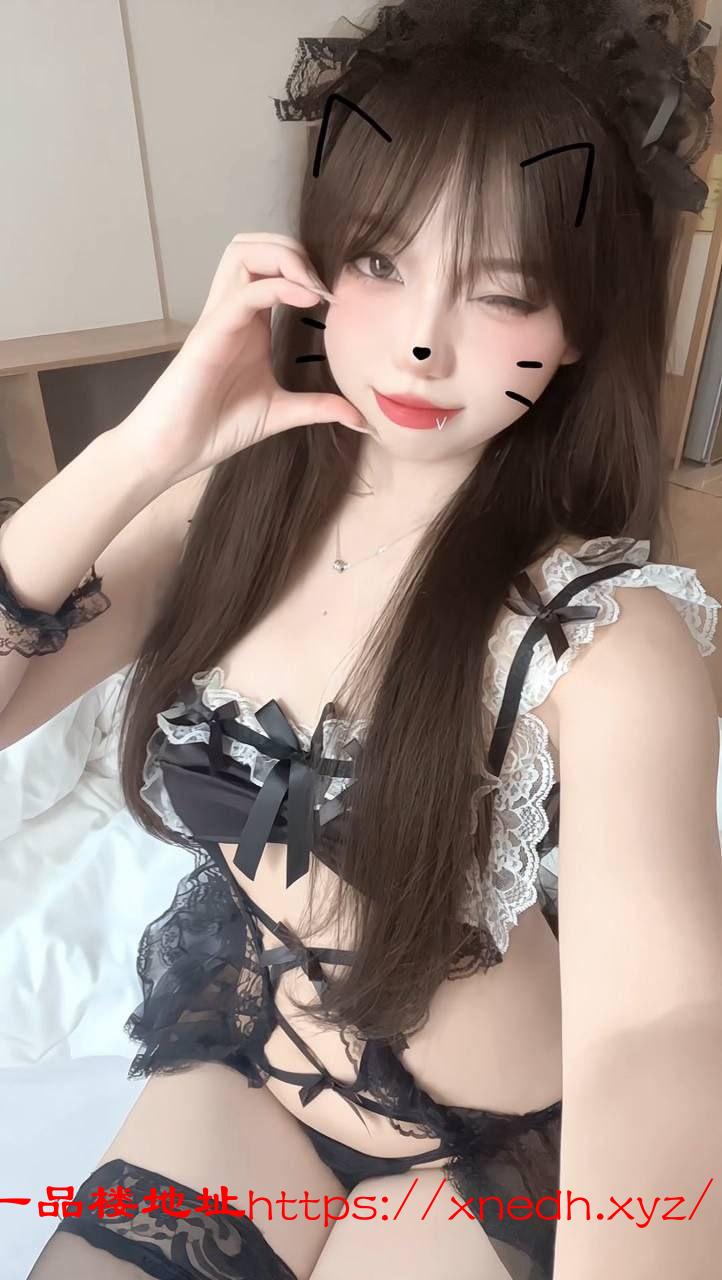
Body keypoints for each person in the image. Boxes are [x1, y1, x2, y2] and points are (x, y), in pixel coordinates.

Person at [4, 1, 721, 1277]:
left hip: (490, 1145)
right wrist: (145, 445)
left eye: (501, 291)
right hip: (258, 1068)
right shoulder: (224, 511)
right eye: (381, 262)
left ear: (573, 330)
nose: (424, 339)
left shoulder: (603, 632)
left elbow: (655, 1028)